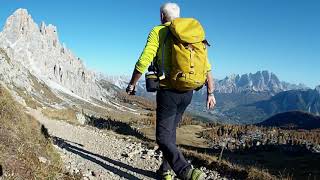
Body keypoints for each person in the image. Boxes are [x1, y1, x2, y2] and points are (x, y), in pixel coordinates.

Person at [126, 2, 216, 180]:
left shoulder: (158, 31)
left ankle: (186, 172)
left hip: (168, 92)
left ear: (161, 16)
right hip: (188, 92)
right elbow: (206, 67)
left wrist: (132, 83)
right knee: (171, 132)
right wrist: (210, 92)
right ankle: (165, 171)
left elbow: (144, 60)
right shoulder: (191, 34)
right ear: (179, 15)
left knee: (162, 137)